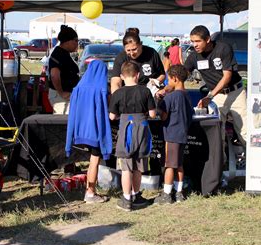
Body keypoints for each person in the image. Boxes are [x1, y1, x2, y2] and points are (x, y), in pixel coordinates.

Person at [184, 25, 247, 145]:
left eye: (198, 41)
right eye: (192, 41)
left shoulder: (223, 48)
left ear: (207, 39)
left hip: (236, 93)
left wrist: (209, 96)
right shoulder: (193, 56)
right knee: (218, 133)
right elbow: (182, 74)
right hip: (217, 96)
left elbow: (227, 77)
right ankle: (221, 162)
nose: (194, 45)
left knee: (244, 132)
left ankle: (251, 161)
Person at [109, 61, 156, 212]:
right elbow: (152, 114)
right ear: (138, 75)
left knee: (126, 167)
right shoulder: (145, 91)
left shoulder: (117, 93)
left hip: (126, 129)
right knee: (139, 166)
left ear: (122, 77)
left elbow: (112, 116)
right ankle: (136, 195)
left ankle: (127, 199)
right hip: (141, 128)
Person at [66, 60, 112, 203]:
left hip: (79, 130)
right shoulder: (102, 88)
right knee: (94, 160)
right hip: (95, 132)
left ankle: (90, 190)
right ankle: (90, 192)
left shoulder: (78, 88)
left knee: (92, 159)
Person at [155, 65, 193, 204]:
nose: (167, 83)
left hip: (171, 134)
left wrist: (159, 103)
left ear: (175, 79)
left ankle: (166, 194)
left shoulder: (171, 97)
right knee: (179, 164)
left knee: (169, 164)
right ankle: (179, 192)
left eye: (169, 80)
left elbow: (164, 116)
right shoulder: (186, 95)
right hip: (182, 133)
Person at [110, 31, 165, 95]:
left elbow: (162, 74)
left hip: (149, 94)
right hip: (128, 95)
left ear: (141, 44)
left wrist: (156, 82)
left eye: (134, 49)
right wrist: (116, 98)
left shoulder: (152, 53)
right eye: (128, 50)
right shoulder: (121, 57)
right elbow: (115, 82)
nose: (132, 53)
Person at [48, 25, 79, 114]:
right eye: (75, 40)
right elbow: (54, 75)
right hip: (60, 96)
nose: (77, 43)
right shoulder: (58, 54)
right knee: (63, 122)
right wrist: (61, 92)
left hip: (65, 94)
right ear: (67, 41)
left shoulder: (64, 54)